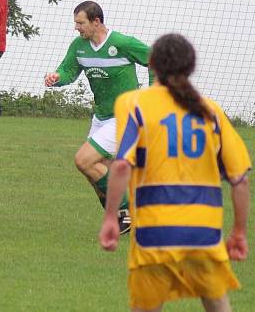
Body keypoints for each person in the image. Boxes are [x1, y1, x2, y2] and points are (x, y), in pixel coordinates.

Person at [99, 33, 250, 312]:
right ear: (190, 67)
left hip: (154, 234)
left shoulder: (133, 103)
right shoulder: (211, 111)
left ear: (152, 64)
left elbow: (121, 165)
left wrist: (111, 217)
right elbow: (239, 179)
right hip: (204, 234)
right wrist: (239, 231)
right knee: (218, 305)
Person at [44, 1, 151, 234]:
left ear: (96, 21)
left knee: (83, 160)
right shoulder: (79, 47)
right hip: (101, 117)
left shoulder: (122, 43)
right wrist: (56, 77)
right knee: (94, 171)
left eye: (80, 23)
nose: (76, 28)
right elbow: (68, 71)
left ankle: (126, 208)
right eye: (75, 23)